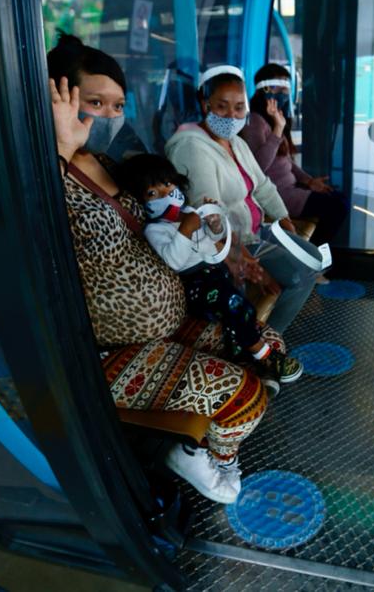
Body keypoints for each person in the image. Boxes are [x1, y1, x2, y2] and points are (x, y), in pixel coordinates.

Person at [47, 38, 271, 505]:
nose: (108, 116)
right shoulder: (47, 173)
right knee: (247, 397)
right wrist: (60, 149)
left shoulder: (108, 162)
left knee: (269, 345)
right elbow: (31, 232)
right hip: (111, 349)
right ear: (58, 100)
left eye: (117, 105)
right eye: (93, 103)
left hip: (168, 320)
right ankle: (194, 454)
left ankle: (195, 438)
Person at [115, 152, 304, 393]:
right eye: (153, 193)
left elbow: (211, 242)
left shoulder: (189, 214)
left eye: (167, 184)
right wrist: (185, 230)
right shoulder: (157, 230)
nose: (165, 194)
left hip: (215, 273)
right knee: (237, 308)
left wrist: (214, 226)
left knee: (238, 315)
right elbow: (174, 260)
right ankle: (266, 355)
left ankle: (250, 366)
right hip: (197, 284)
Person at [166, 65, 320, 334]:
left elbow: (262, 185)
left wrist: (284, 220)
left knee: (315, 259)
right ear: (205, 105)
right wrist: (247, 262)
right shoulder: (192, 147)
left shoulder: (235, 142)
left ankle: (268, 332)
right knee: (297, 277)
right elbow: (211, 216)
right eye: (222, 106)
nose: (231, 115)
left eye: (239, 108)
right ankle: (267, 339)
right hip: (236, 241)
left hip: (256, 228)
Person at [243, 63, 349, 247]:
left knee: (339, 198)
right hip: (279, 194)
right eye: (281, 88)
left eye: (287, 89)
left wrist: (309, 181)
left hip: (293, 188)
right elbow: (258, 168)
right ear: (265, 90)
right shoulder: (255, 122)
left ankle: (313, 255)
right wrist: (277, 130)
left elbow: (288, 162)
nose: (285, 94)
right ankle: (310, 256)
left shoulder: (274, 119)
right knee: (337, 207)